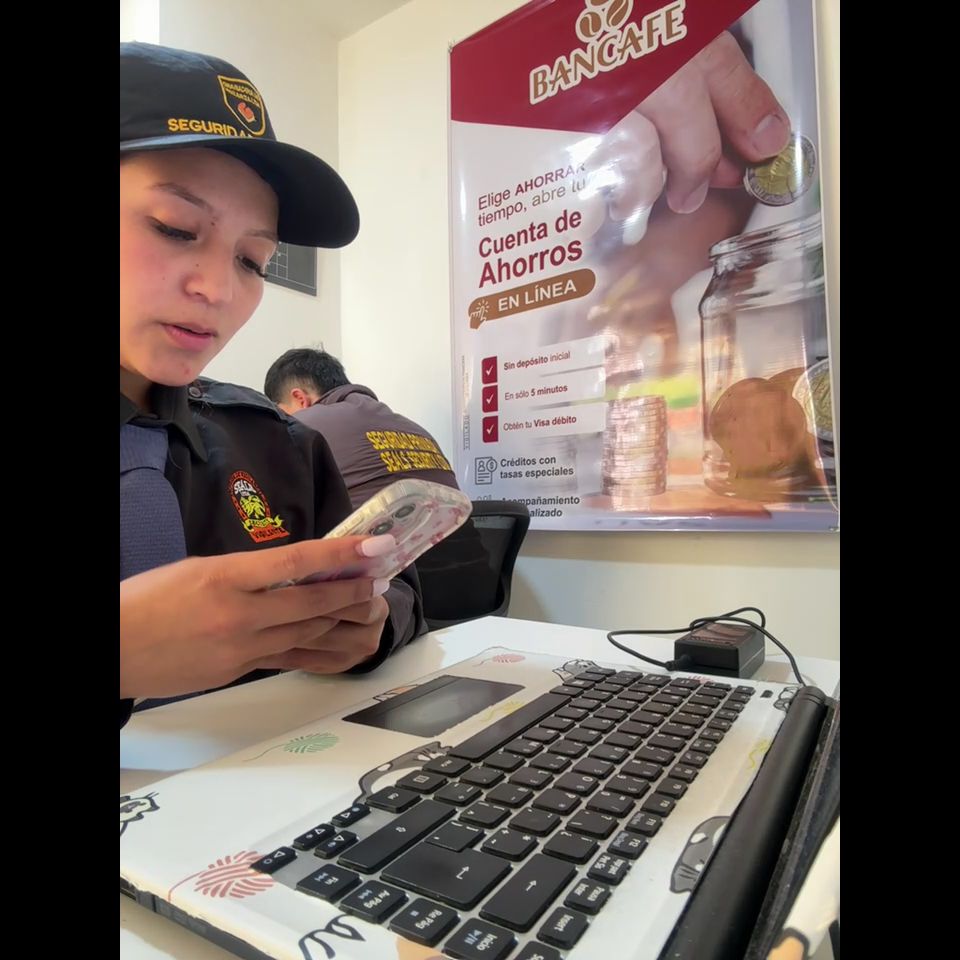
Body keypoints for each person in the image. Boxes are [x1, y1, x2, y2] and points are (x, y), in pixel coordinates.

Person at [120, 42, 424, 727]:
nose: (220, 289)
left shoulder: (277, 446)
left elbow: (398, 594)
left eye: (254, 261)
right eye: (175, 228)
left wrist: (369, 629)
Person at [263, 348, 459, 509]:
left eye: (281, 411)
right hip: (463, 543)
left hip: (373, 544)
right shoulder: (414, 428)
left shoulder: (302, 425)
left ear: (300, 398)